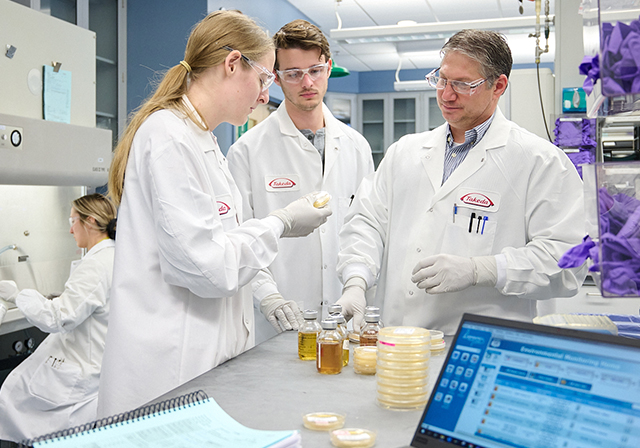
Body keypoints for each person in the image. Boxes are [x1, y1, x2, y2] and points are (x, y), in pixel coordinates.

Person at [98, 10, 331, 417]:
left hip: (202, 368)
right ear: (231, 64)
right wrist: (281, 222)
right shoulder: (168, 137)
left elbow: (224, 244)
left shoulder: (201, 140)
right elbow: (207, 268)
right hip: (168, 372)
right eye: (263, 79)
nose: (265, 95)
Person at [336, 29, 587, 335]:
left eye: (462, 84)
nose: (446, 94)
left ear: (499, 86)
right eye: (442, 80)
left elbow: (568, 262)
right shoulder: (405, 152)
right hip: (398, 341)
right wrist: (356, 280)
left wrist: (482, 269)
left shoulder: (540, 162)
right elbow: (366, 222)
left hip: (480, 347)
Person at [227, 20, 374, 336]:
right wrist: (268, 297)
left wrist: (356, 283)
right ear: (276, 79)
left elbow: (365, 227)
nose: (307, 82)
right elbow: (239, 239)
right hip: (276, 323)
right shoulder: (247, 151)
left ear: (329, 67)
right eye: (293, 74)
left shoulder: (356, 147)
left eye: (316, 70)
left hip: (343, 317)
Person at [0, 193, 117, 442]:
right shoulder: (111, 256)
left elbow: (60, 318)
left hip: (82, 373)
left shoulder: (97, 265)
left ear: (90, 221)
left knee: (18, 401)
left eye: (72, 221)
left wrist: (17, 295)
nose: (70, 230)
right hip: (96, 363)